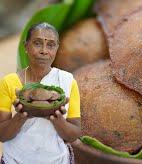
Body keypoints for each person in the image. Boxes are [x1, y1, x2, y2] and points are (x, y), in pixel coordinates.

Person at [0, 22, 81, 164]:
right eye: (37, 43)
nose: (44, 50)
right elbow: (2, 135)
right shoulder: (9, 82)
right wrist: (21, 116)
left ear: (56, 48)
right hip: (14, 160)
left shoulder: (67, 82)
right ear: (26, 47)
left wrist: (56, 118)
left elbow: (73, 135)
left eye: (50, 45)